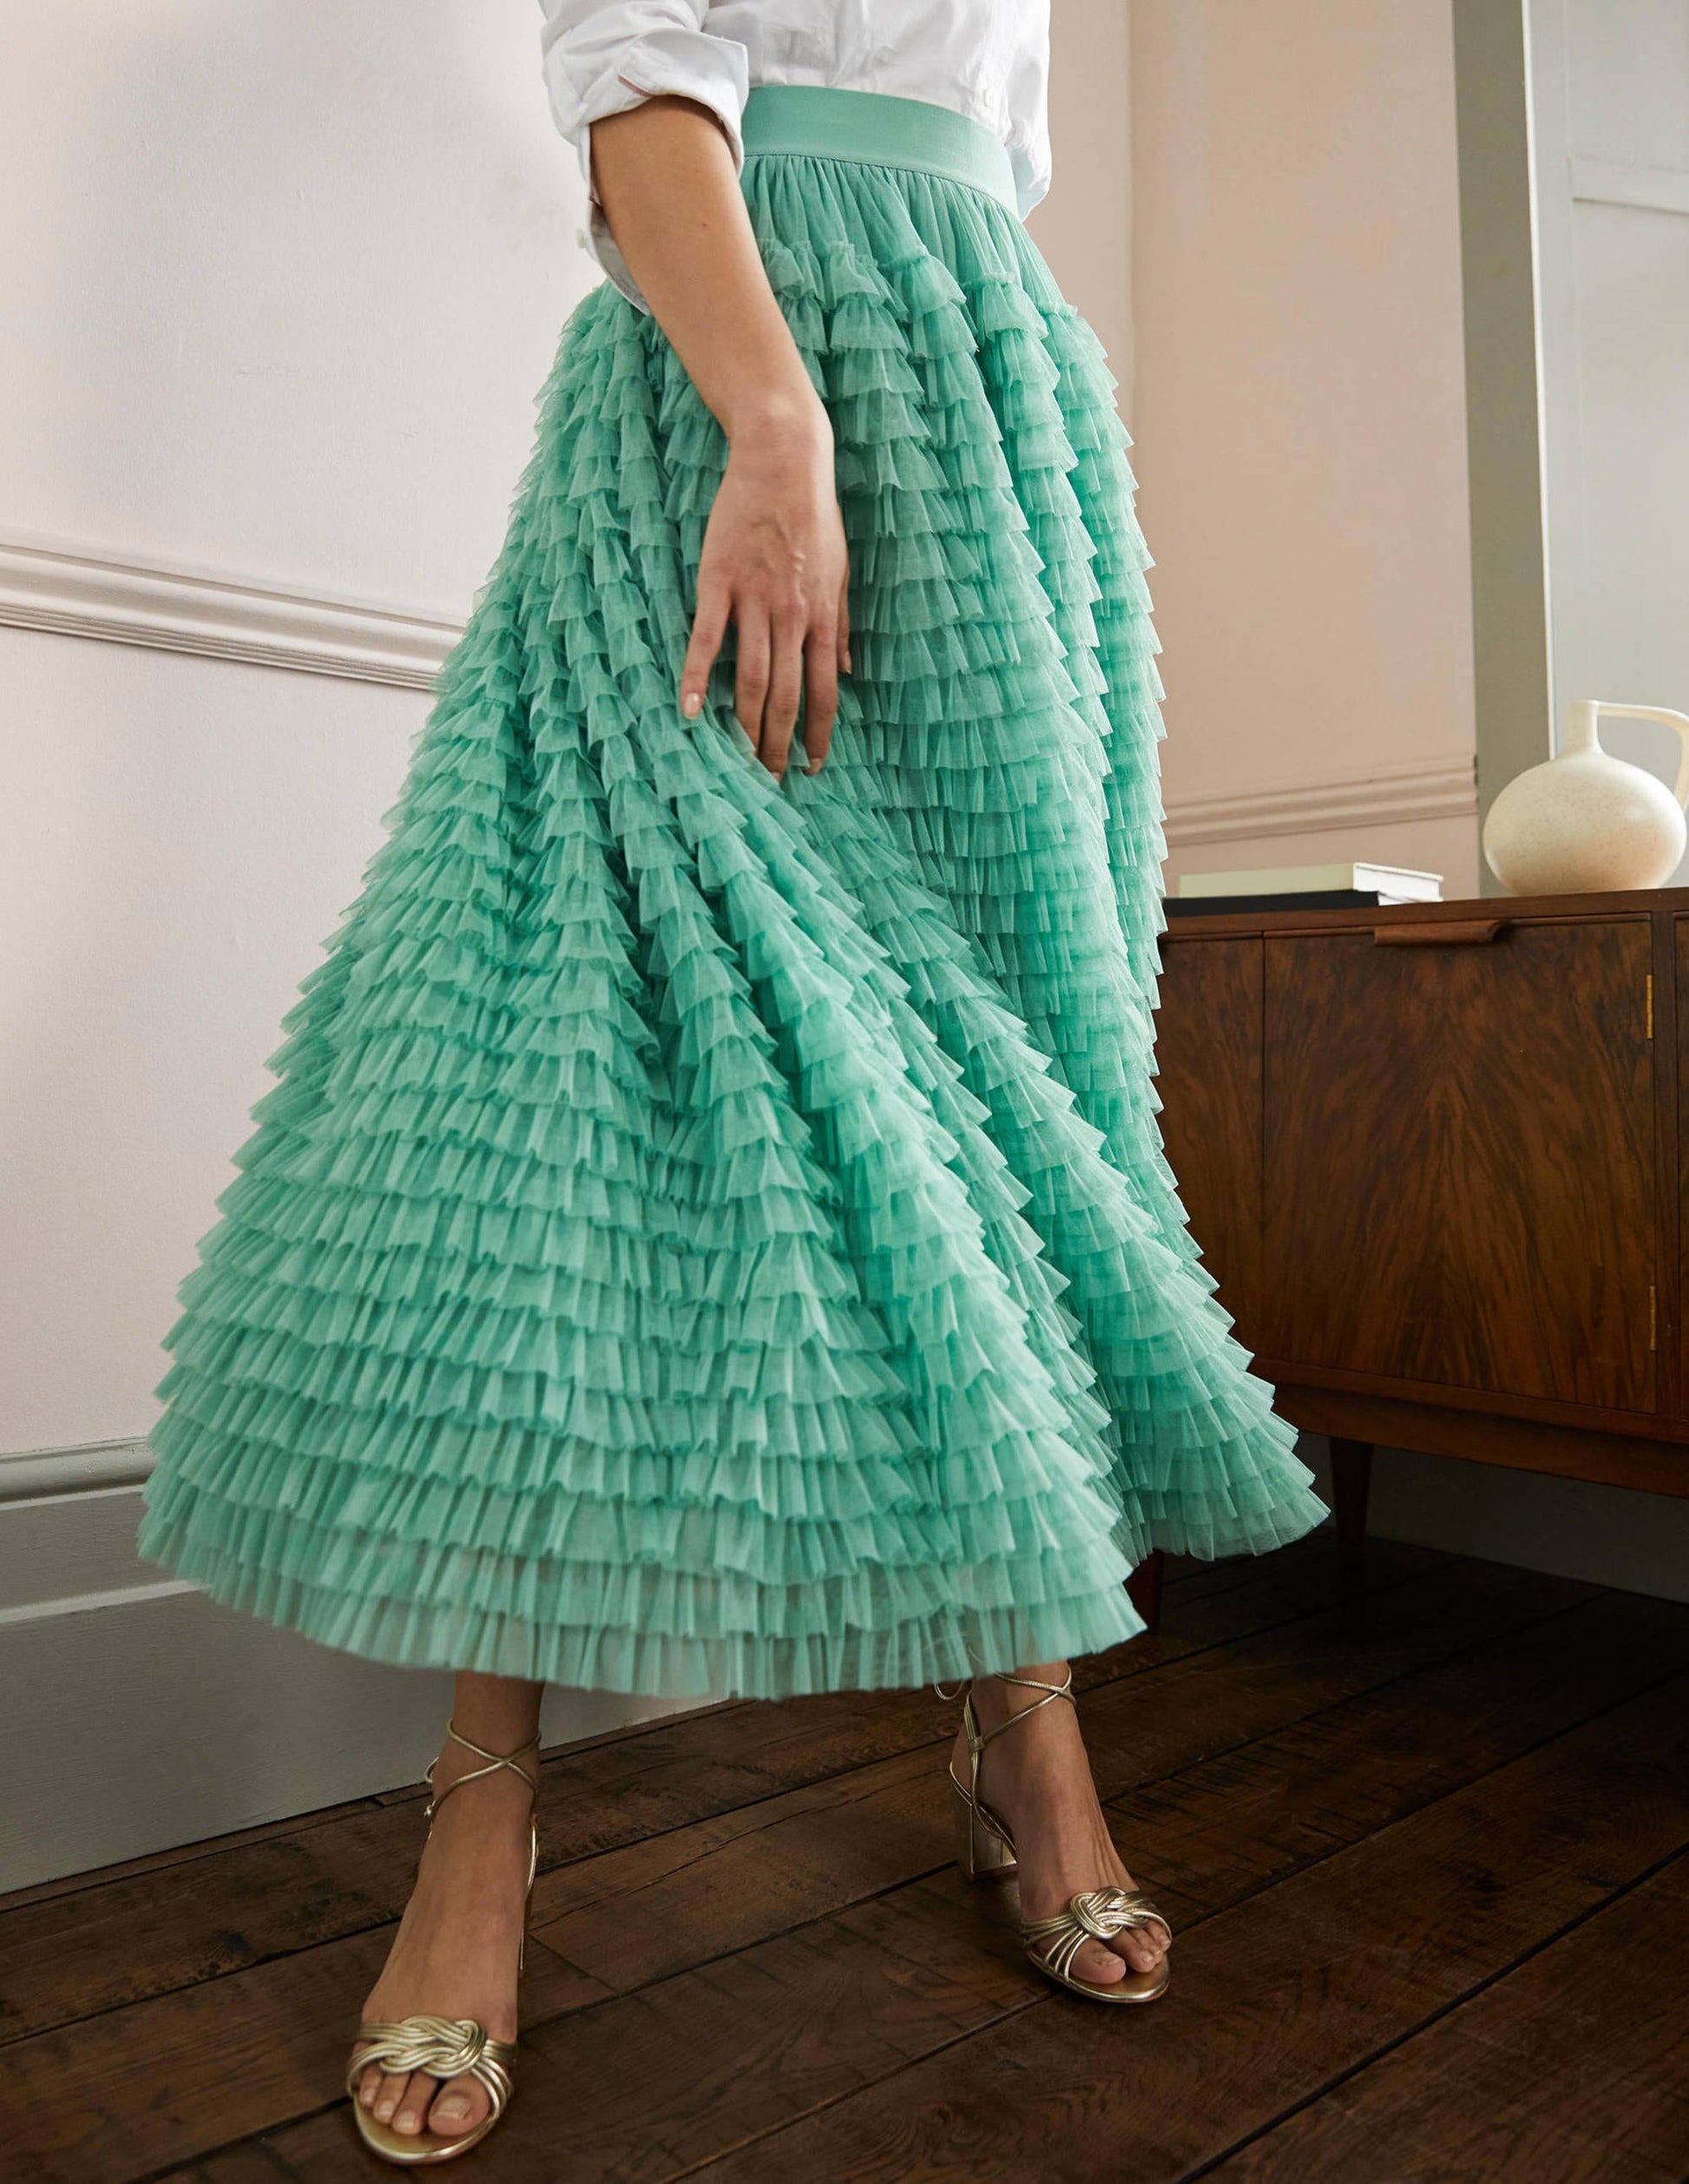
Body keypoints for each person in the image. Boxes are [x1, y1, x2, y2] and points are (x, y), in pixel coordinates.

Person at [138, 0, 1327, 2161]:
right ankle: (483, 1800)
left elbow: (988, 151)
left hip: (989, 422)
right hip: (730, 395)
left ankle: (1027, 1724)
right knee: (555, 1079)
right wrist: (774, 424)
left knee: (1006, 1081)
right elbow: (639, 70)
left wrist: (949, 403)